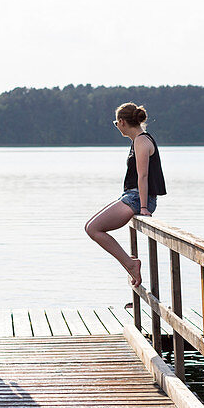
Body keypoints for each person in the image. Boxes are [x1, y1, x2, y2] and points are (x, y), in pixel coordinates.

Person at [85, 102, 167, 288]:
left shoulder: (141, 141)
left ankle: (131, 263)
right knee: (91, 227)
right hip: (132, 196)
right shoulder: (139, 140)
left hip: (137, 198)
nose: (117, 126)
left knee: (93, 229)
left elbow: (143, 175)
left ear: (122, 122)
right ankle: (130, 263)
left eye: (116, 123)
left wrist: (144, 207)